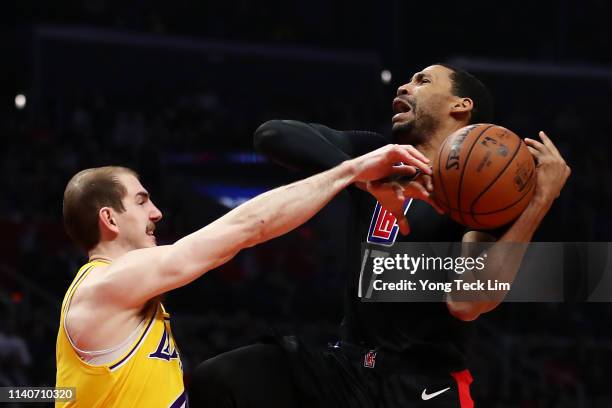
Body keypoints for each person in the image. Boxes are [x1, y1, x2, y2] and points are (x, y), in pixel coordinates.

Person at [189, 63, 571, 407]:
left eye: (422, 80)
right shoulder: (378, 154)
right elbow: (272, 134)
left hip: (422, 386)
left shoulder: (484, 190)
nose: (404, 87)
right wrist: (364, 172)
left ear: (461, 105)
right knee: (223, 378)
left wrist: (539, 201)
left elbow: (466, 303)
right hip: (346, 369)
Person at [54, 144, 432, 408]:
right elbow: (250, 226)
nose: (156, 213)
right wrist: (350, 171)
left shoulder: (120, 293)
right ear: (109, 219)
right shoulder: (104, 286)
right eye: (141, 201)